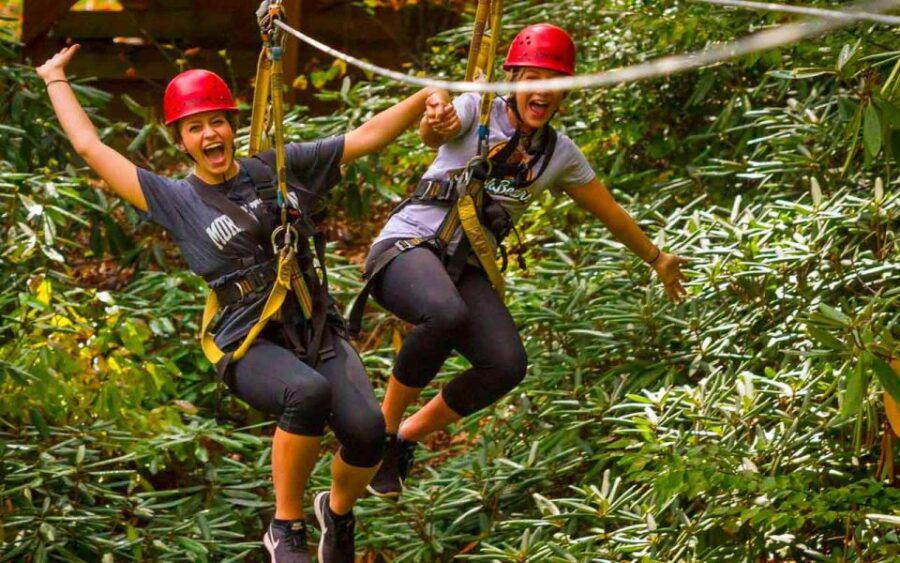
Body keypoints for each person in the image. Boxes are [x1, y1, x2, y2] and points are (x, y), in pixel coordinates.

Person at [36, 43, 451, 563]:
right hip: (249, 340)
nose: (210, 134)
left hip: (313, 327)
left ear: (232, 125)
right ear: (182, 142)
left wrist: (426, 96)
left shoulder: (276, 168)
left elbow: (364, 138)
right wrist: (55, 78)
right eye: (195, 128)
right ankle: (286, 528)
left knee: (368, 434)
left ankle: (337, 514)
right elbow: (90, 147)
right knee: (305, 393)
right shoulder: (176, 201)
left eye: (217, 122)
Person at [361, 23, 688, 498]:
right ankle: (382, 436)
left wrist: (656, 258)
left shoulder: (559, 155)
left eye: (554, 83)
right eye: (533, 78)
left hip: (463, 266)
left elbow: (611, 213)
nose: (542, 91)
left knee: (506, 364)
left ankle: (407, 434)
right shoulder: (476, 108)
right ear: (512, 79)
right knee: (445, 313)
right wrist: (438, 119)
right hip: (408, 246)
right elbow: (434, 130)